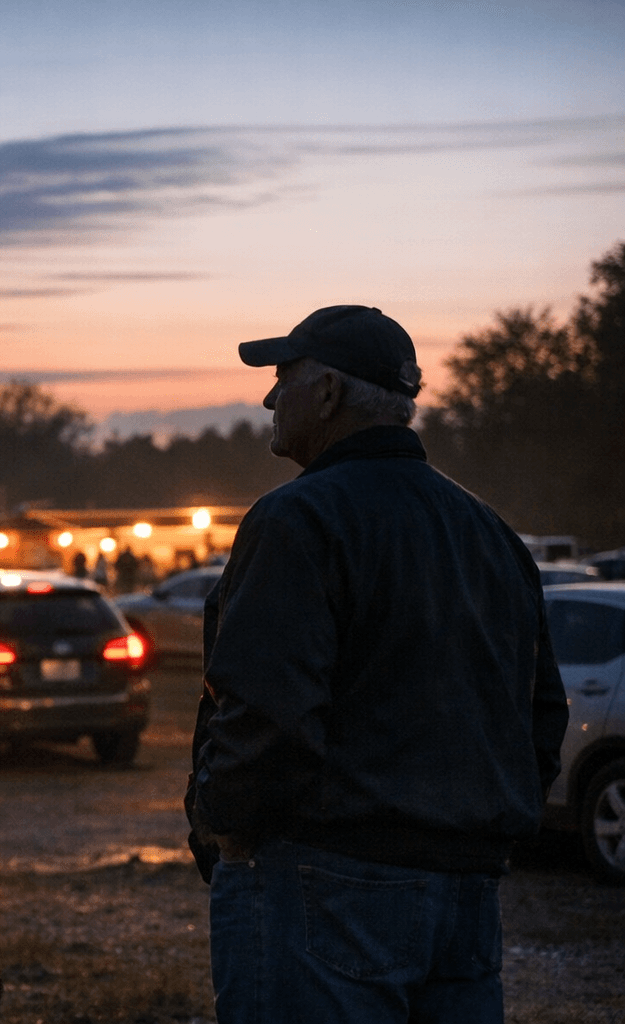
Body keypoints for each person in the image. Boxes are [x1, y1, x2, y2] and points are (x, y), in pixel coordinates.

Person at [185, 305, 569, 1022]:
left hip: (323, 886)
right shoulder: (492, 534)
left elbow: (267, 715)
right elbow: (539, 714)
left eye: (283, 378)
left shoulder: (298, 519)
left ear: (327, 393)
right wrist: (480, 832)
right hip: (465, 898)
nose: (270, 399)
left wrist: (221, 822)